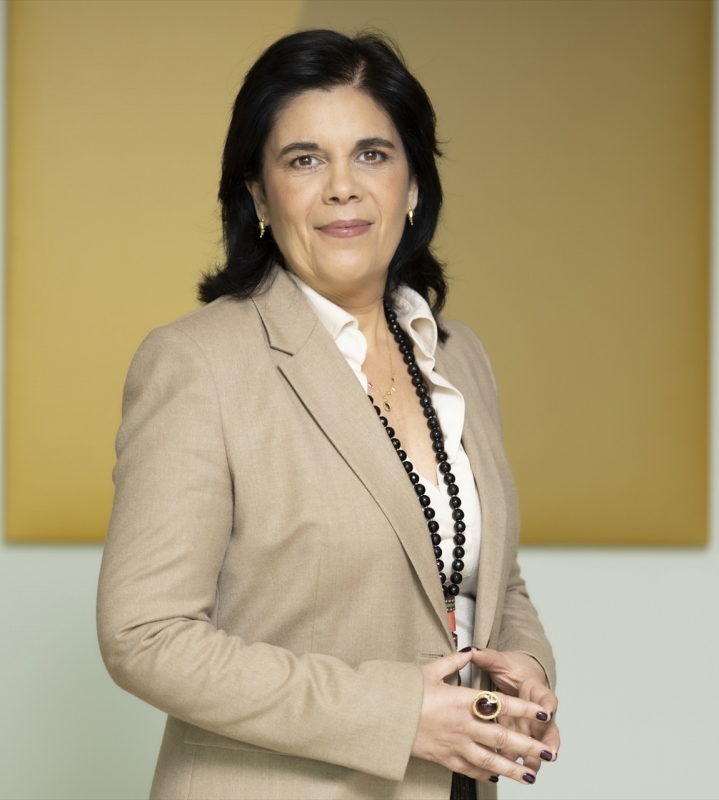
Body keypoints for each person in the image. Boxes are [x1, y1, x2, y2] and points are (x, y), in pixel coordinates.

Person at [97, 29, 560, 800]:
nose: (343, 187)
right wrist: (397, 714)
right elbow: (144, 636)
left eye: (372, 154)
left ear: (413, 185)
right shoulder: (197, 364)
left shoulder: (460, 357)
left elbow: (487, 575)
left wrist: (527, 671)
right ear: (258, 194)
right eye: (305, 159)